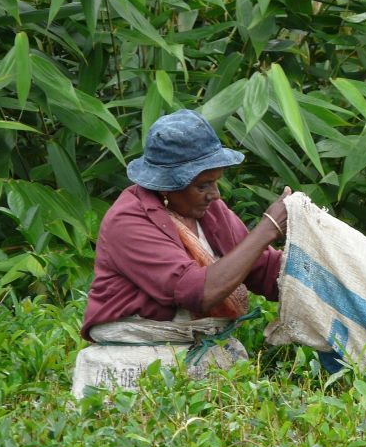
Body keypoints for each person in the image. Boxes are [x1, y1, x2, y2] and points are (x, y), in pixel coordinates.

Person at [81, 109, 291, 342]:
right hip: (139, 352)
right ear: (166, 185)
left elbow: (260, 268)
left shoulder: (209, 212)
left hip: (198, 342)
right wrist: (268, 228)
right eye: (203, 186)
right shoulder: (128, 222)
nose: (215, 195)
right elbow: (197, 292)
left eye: (215, 182)